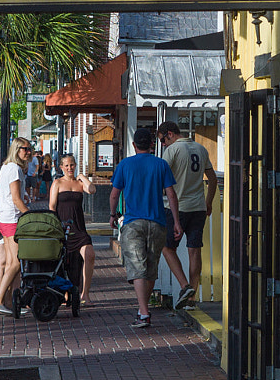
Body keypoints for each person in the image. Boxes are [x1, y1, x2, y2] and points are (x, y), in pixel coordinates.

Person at [107, 127, 182, 329]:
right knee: (150, 267)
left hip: (133, 222)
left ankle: (144, 313)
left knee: (138, 268)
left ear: (133, 145)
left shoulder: (125, 165)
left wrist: (113, 215)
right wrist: (176, 221)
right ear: (151, 144)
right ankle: (143, 309)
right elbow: (171, 195)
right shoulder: (161, 165)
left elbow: (114, 194)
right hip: (157, 222)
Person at [158, 121, 218, 309]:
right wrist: (208, 201)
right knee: (194, 250)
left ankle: (185, 286)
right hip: (198, 207)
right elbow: (213, 178)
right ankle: (191, 299)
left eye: (162, 140)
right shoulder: (200, 149)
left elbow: (161, 177)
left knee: (167, 248)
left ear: (169, 134)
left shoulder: (173, 150)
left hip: (177, 207)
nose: (162, 145)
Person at [0, 137, 32, 316]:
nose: (28, 152)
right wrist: (30, 215)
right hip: (13, 219)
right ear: (16, 150)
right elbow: (16, 199)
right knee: (14, 263)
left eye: (29, 149)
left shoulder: (6, 167)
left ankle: (9, 301)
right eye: (24, 149)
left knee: (11, 262)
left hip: (5, 219)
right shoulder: (14, 169)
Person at [48, 153, 96, 307]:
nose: (70, 168)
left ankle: (85, 293)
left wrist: (82, 176)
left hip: (79, 228)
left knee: (89, 254)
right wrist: (55, 227)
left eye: (72, 165)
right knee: (64, 263)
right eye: (66, 165)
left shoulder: (79, 183)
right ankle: (67, 294)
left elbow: (93, 190)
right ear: (61, 167)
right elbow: (52, 206)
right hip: (63, 228)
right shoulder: (57, 183)